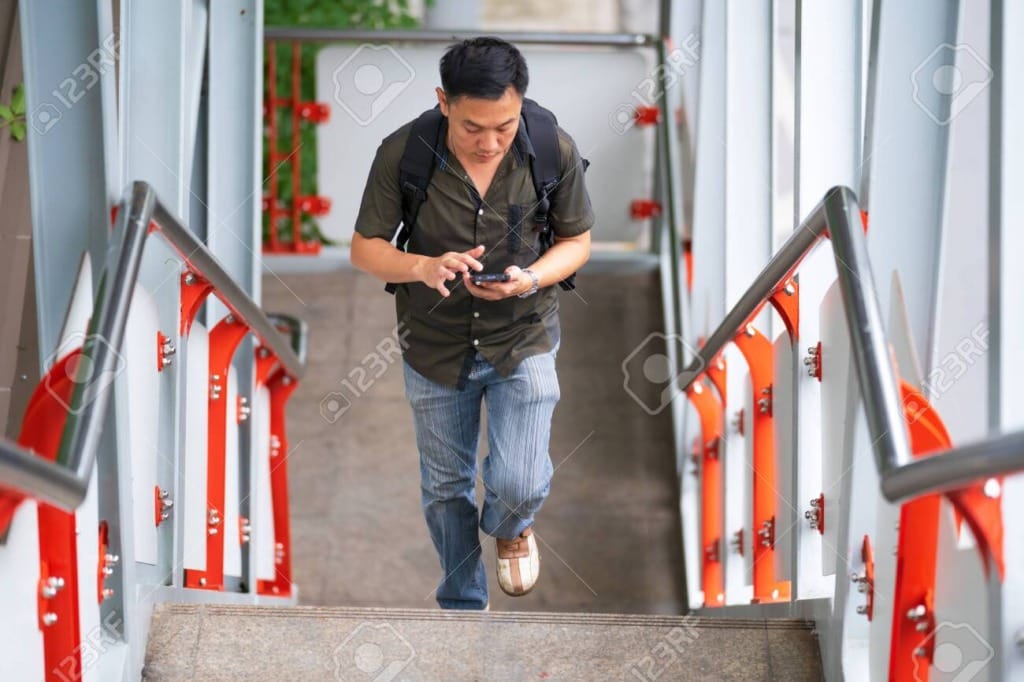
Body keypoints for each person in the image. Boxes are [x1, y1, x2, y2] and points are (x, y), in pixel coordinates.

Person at [350, 36, 593, 610]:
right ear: (443, 102)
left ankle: (512, 526)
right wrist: (423, 265)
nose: (488, 143)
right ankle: (462, 600)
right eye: (472, 127)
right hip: (433, 343)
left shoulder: (551, 149)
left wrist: (530, 278)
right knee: (445, 489)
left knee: (520, 481)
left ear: (521, 106)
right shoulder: (404, 153)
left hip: (523, 333)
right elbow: (365, 248)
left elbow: (576, 241)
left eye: (504, 127)